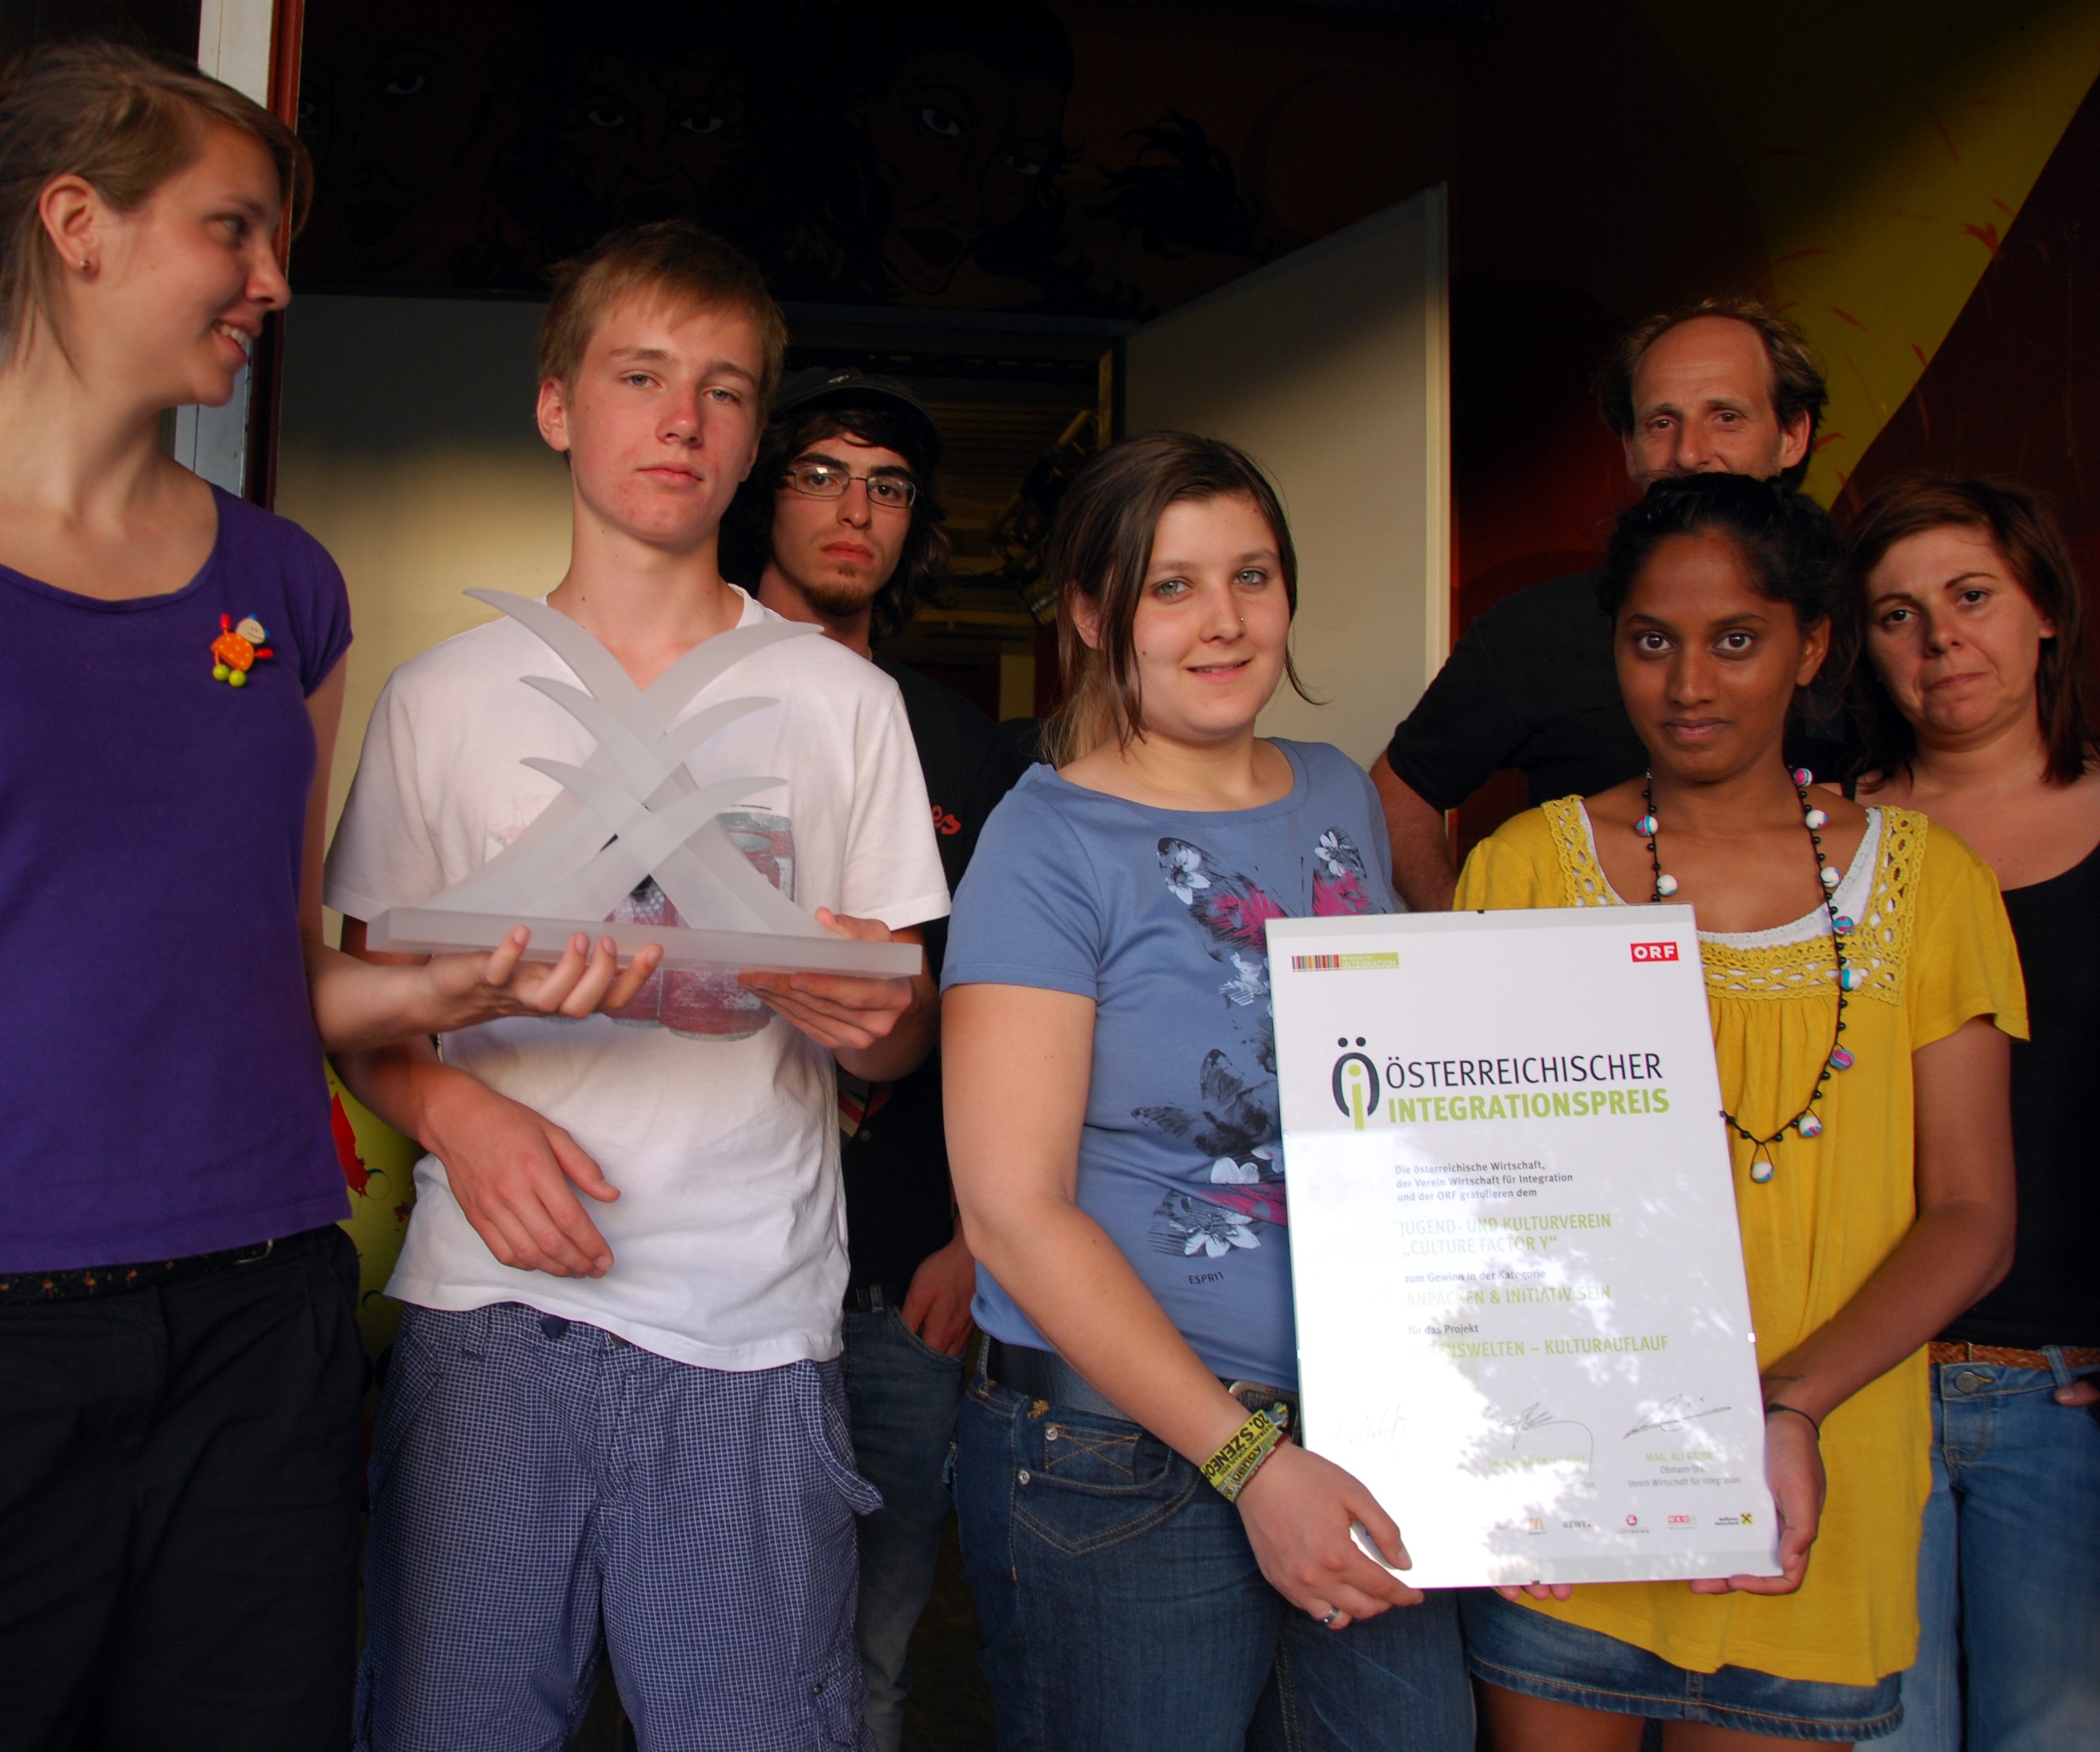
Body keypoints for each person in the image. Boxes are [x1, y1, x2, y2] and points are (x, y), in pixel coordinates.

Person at [0, 43, 658, 1752]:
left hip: (253, 1340)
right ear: (78, 224)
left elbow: (263, 967)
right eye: (232, 229)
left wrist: (451, 988)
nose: (273, 283)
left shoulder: (285, 588)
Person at [324, 222, 950, 1751]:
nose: (682, 420)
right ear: (557, 405)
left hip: (751, 1327)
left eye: (723, 391)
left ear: (750, 437)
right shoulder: (440, 699)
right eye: (641, 376)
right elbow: (355, 1007)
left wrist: (875, 1020)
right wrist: (458, 1118)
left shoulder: (843, 703)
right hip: (489, 1311)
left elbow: (899, 1030)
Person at [1455, 472, 2024, 1747]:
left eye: (1735, 640)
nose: (1688, 685)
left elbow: (1973, 1213)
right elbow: (1475, 1208)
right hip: (1572, 1505)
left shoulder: (1931, 884)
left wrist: (1786, 1408)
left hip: (1813, 1503)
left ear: (1811, 645)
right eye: (1651, 641)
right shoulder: (1524, 870)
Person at [944, 431, 1473, 1752]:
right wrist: (1249, 1462)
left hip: (1367, 1430)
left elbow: (1394, 1109)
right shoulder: (1045, 841)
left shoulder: (1337, 792)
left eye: (1251, 575)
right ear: (1090, 616)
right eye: (1171, 587)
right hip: (1123, 1464)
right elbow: (1012, 1212)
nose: (1223, 620)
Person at [728, 365, 1026, 1752]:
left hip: (902, 1271)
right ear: (762, 496)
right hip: (713, 1263)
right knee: (709, 1641)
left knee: (874, 1652)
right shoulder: (686, 700)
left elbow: (1010, 1011)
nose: (856, 510)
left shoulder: (960, 741)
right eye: (822, 474)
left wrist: (976, 1237)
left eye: (888, 486)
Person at [1839, 478, 2100, 1752]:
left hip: (2063, 1389)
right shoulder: (1828, 844)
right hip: (1861, 1379)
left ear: (2044, 607)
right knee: (1877, 1732)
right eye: (1898, 613)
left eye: (1972, 595)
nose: (1940, 638)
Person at [1375, 297, 1832, 909]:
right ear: (1630, 447)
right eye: (1661, 423)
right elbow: (1399, 790)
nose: (1689, 452)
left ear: (1793, 435)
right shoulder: (1537, 628)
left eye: (1726, 416)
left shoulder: (1868, 615)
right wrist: (1469, 942)